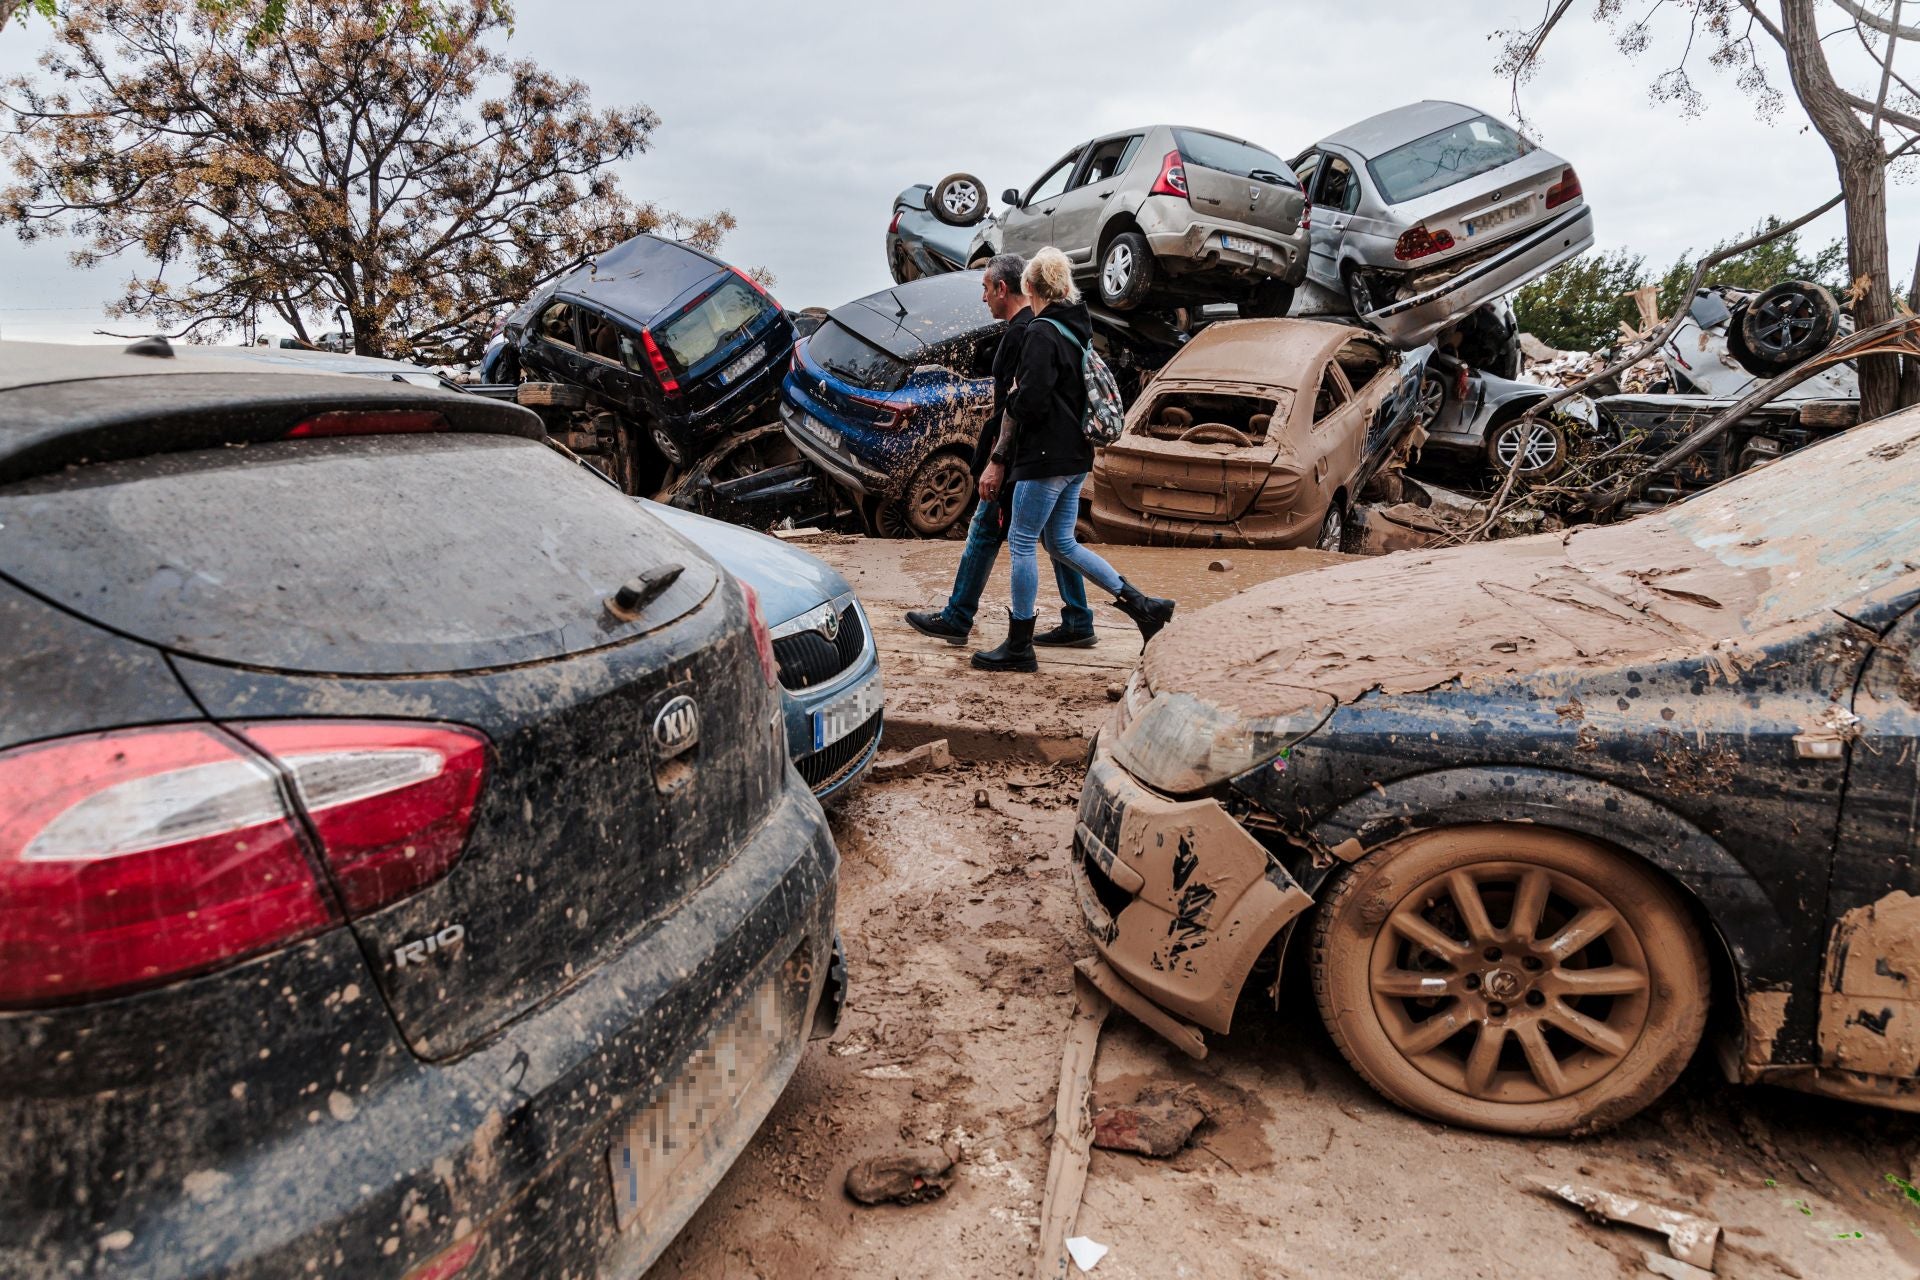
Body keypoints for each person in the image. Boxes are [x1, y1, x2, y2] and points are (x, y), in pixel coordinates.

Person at [973, 248, 1175, 674]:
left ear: (1029, 287)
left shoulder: (1040, 333)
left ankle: (1019, 644)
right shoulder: (1075, 328)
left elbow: (1033, 399)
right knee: (1062, 543)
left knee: (1024, 542)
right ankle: (1142, 604)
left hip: (1045, 457)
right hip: (1075, 456)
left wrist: (1013, 398)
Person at [904, 255, 1095, 648]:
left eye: (986, 289)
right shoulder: (1055, 326)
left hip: (1022, 457)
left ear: (1003, 289)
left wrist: (997, 461)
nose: (983, 299)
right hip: (1051, 455)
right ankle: (1078, 617)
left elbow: (1015, 407)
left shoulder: (1024, 334)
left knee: (986, 531)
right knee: (1054, 537)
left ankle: (960, 617)